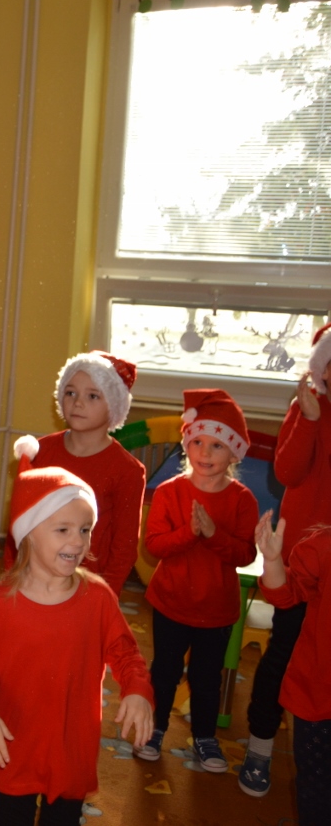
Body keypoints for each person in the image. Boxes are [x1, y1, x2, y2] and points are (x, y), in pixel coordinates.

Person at [0, 437, 153, 826]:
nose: (78, 541)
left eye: (85, 529)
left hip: (70, 747)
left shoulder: (98, 597)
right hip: (13, 744)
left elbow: (126, 652)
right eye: (63, 529)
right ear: (29, 533)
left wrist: (137, 689)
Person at [135, 389, 259, 771]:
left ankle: (205, 738)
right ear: (186, 444)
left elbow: (245, 554)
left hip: (216, 610)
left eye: (217, 445)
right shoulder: (169, 492)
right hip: (171, 602)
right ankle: (154, 729)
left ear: (234, 453)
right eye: (198, 442)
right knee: (164, 672)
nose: (205, 452)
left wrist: (213, 534)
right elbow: (154, 546)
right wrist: (191, 533)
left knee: (207, 678)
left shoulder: (242, 500)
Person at [239, 324, 331, 797]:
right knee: (285, 653)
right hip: (300, 564)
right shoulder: (307, 406)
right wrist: (311, 417)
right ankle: (259, 748)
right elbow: (287, 471)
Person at [1, 351, 145, 596]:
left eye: (92, 396)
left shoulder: (127, 470)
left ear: (114, 405)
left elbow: (125, 546)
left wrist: (105, 595)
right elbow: (18, 524)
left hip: (85, 586)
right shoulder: (39, 452)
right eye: (70, 393)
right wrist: (11, 577)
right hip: (33, 579)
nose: (78, 403)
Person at [255, 512, 331, 825]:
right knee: (316, 789)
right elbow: (287, 594)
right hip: (317, 697)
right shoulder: (324, 545)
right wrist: (272, 560)